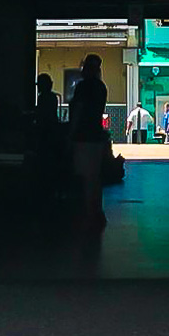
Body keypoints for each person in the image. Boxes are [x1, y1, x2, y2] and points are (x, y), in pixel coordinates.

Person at [68, 54, 108, 227]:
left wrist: (70, 134)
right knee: (95, 176)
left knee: (84, 176)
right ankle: (97, 211)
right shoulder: (101, 87)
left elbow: (77, 112)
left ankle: (86, 213)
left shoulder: (82, 87)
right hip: (97, 136)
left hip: (83, 136)